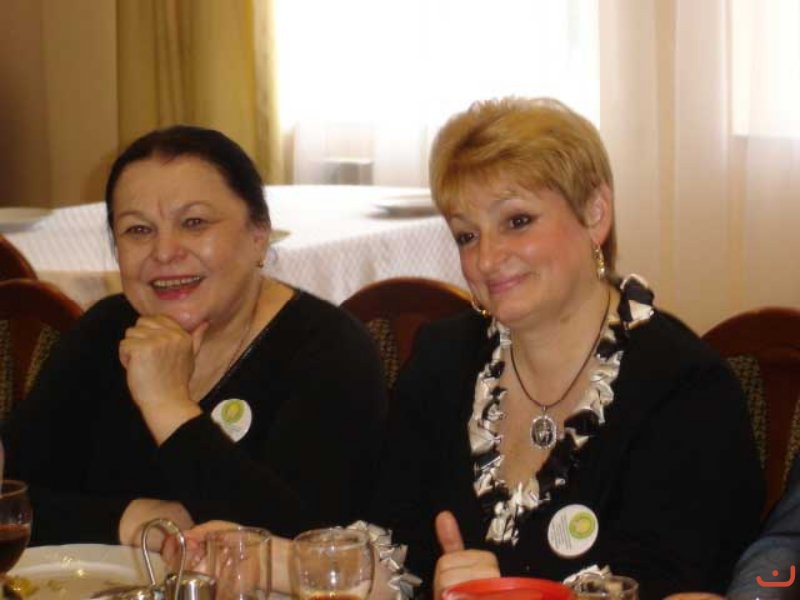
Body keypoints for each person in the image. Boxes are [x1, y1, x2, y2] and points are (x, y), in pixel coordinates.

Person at [169, 99, 764, 599]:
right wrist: (275, 560)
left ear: (595, 213)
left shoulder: (685, 388)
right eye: (466, 235)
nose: (486, 258)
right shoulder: (445, 358)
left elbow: (676, 584)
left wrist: (511, 590)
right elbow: (397, 549)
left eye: (518, 221)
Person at [3, 125, 388, 547]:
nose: (165, 252)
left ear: (259, 235)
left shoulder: (330, 351)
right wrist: (136, 521)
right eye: (138, 230)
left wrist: (168, 404)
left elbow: (304, 545)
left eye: (194, 222)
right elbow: (11, 501)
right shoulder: (106, 330)